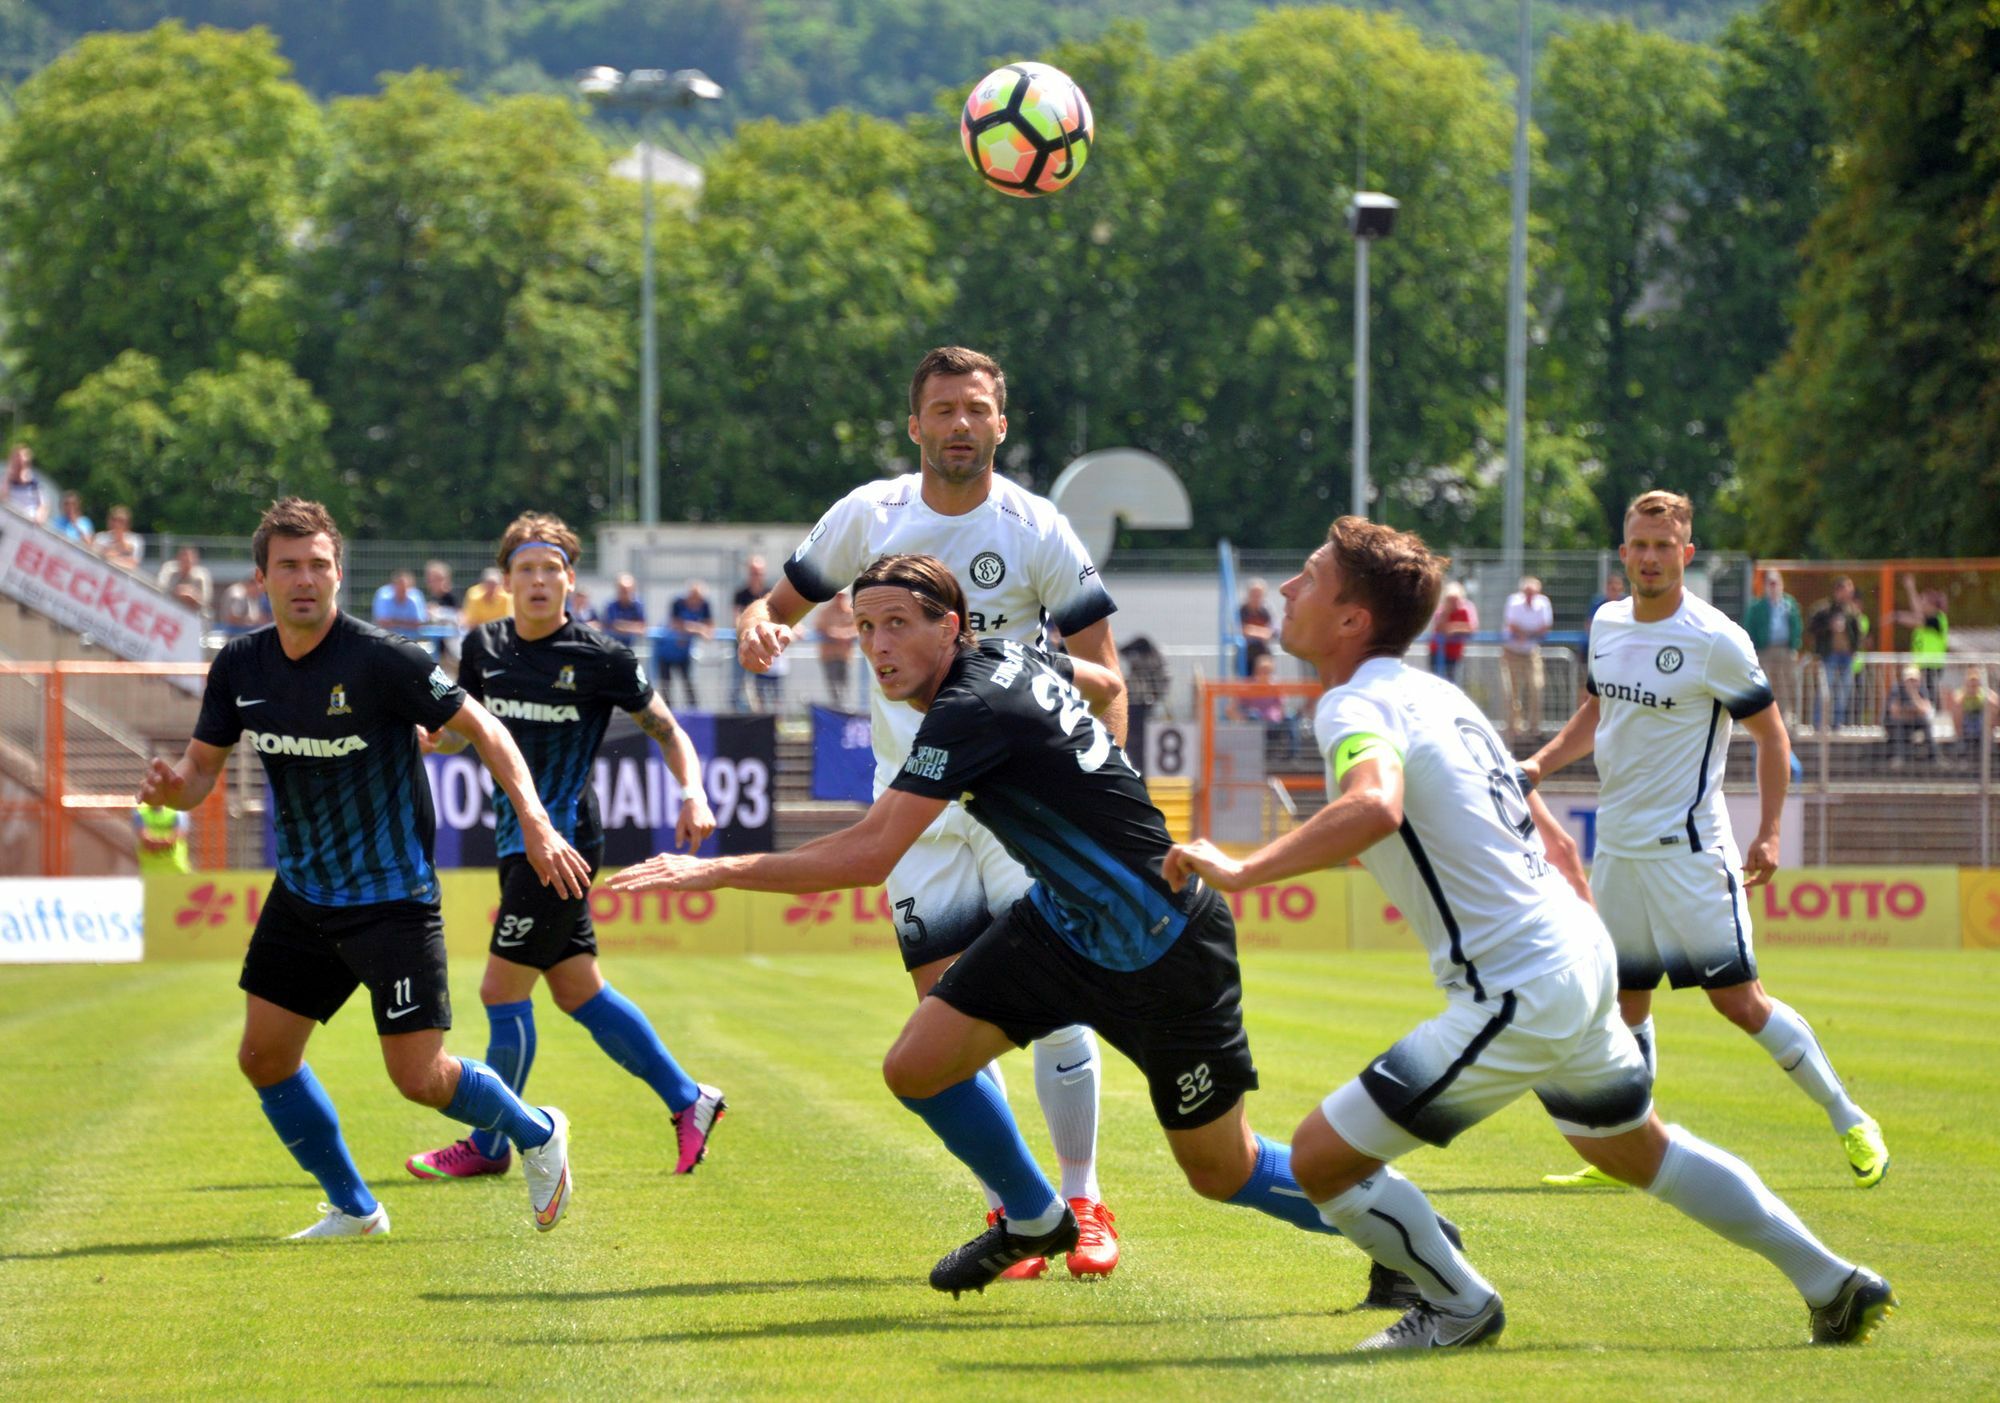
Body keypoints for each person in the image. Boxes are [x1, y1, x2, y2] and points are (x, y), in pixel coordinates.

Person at [1162, 516, 1894, 1351]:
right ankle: (1832, 1280)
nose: (1289, 591)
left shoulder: (1353, 703)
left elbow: (1374, 805)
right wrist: (1569, 918)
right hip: (1575, 952)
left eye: (1308, 577)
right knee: (1636, 1149)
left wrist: (1245, 869)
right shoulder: (1438, 695)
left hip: (1517, 984)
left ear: (1352, 618)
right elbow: (1547, 831)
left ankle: (1458, 1305)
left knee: (1321, 1159)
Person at [617, 552, 1419, 1307]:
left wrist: (716, 870)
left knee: (1222, 1168)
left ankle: (1413, 1238)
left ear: (950, 626)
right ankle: (1035, 1217)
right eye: (863, 627)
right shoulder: (1008, 658)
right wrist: (1099, 761)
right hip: (1063, 925)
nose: (878, 646)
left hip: (1161, 939)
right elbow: (1105, 681)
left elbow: (870, 853)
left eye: (897, 624)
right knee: (918, 1066)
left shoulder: (969, 707)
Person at [732, 347, 1128, 1279]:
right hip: (913, 806)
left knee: (1056, 997)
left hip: (1021, 799)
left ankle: (1084, 1199)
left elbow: (1104, 669)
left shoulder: (1036, 526)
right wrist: (760, 625)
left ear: (1001, 423)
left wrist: (1101, 793)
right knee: (950, 1011)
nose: (960, 424)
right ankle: (1019, 1210)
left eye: (976, 408)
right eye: (943, 409)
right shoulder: (867, 515)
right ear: (915, 426)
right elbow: (774, 605)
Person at [135, 497, 591, 1240]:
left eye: (318, 564)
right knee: (264, 1056)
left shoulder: (384, 658)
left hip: (392, 900)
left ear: (339, 574)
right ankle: (355, 1208)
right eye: (289, 566)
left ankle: (537, 1130)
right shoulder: (241, 665)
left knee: (420, 1078)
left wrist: (536, 822)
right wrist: (172, 792)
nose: (304, 579)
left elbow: (485, 727)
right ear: (261, 578)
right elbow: (199, 773)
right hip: (303, 896)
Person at [1528, 491, 1887, 1192]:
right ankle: (1630, 1150)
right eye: (1640, 545)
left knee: (1739, 1002)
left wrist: (1770, 831)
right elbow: (1597, 709)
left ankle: (1850, 1117)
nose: (1651, 558)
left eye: (1665, 546)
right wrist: (1540, 763)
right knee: (1625, 1000)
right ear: (1624, 553)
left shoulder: (1716, 637)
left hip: (1691, 852)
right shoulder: (1606, 622)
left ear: (1686, 554)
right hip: (1620, 850)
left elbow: (1773, 738)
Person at [407, 512, 724, 1183]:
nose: (539, 580)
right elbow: (470, 731)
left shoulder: (602, 657)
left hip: (564, 845)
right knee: (579, 990)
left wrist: (693, 791)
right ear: (506, 581)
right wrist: (438, 740)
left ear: (571, 581)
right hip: (513, 838)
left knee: (500, 990)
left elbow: (668, 730)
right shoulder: (482, 646)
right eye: (526, 568)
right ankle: (688, 1098)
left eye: (551, 569)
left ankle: (492, 1141)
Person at [1743, 571, 1803, 728]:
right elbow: (1749, 628)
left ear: (1781, 584)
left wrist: (1795, 645)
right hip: (1765, 650)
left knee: (1788, 684)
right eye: (1770, 583)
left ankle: (1787, 718)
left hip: (1785, 650)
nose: (1773, 587)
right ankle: (1769, 720)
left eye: (1776, 583)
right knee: (1767, 685)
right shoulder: (1757, 607)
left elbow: (1797, 625)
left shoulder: (1790, 604)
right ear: (1765, 586)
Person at [1806, 578, 1864, 730]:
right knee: (1825, 689)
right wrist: (1829, 626)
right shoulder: (1824, 609)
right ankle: (1819, 722)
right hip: (1829, 656)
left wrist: (1854, 649)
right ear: (1838, 591)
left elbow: (1858, 633)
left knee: (1844, 691)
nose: (1848, 595)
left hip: (1846, 657)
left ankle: (1837, 723)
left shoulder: (1852, 612)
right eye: (1846, 591)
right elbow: (1812, 627)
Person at [1501, 576, 1553, 740]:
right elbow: (1511, 624)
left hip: (1531, 652)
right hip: (1511, 652)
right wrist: (1528, 633)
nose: (1530, 597)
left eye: (1533, 593)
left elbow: (1545, 627)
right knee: (1511, 692)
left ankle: (1534, 727)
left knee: (1536, 687)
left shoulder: (1543, 603)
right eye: (1527, 593)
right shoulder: (1513, 601)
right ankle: (1514, 727)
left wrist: (1525, 635)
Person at [734, 557, 783, 713]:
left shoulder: (770, 593)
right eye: (753, 573)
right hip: (743, 647)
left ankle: (769, 718)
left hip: (765, 649)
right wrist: (748, 631)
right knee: (738, 686)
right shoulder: (740, 594)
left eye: (759, 573)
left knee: (767, 689)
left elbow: (781, 615)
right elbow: (737, 619)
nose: (756, 576)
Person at [1895, 574, 1949, 710]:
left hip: (1932, 665)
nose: (1921, 604)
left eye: (1923, 601)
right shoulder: (1924, 623)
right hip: (1920, 666)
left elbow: (1917, 616)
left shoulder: (1938, 619)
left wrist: (1911, 589)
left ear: (1933, 605)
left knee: (1929, 697)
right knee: (1916, 697)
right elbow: (1914, 617)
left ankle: (1932, 717)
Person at [659, 580, 713, 710]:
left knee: (688, 683)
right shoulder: (677, 603)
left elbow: (710, 628)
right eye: (693, 597)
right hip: (666, 651)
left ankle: (694, 712)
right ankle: (667, 712)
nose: (696, 602)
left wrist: (691, 629)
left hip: (684, 653)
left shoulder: (704, 605)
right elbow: (676, 624)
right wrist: (698, 629)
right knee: (666, 685)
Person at [1882, 665, 1935, 767]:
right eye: (1909, 680)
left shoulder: (1922, 689)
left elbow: (1925, 710)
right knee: (1898, 724)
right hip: (1896, 723)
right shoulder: (1896, 689)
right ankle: (1898, 758)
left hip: (1913, 721)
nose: (1912, 683)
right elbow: (1895, 712)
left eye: (1914, 680)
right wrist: (1913, 711)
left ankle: (1935, 758)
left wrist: (1914, 695)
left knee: (1926, 723)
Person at [1427, 581, 1477, 684]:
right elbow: (1440, 628)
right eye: (1450, 599)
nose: (1453, 603)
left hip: (1455, 654)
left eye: (1455, 599)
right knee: (1436, 682)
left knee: (1453, 682)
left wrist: (1454, 628)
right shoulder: (1442, 610)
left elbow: (1471, 628)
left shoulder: (1466, 610)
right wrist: (1447, 612)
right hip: (1437, 652)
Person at [816, 589, 858, 710]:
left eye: (842, 596)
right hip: (829, 656)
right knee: (833, 685)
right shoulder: (825, 611)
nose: (839, 599)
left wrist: (844, 634)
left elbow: (857, 628)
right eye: (838, 596)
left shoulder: (850, 612)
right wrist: (839, 634)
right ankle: (836, 709)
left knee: (845, 683)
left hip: (845, 656)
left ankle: (844, 709)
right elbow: (821, 628)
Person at [133, 802, 191, 875]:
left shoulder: (178, 812)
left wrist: (155, 843)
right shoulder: (140, 813)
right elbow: (144, 838)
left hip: (176, 867)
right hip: (151, 869)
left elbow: (177, 835)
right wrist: (165, 841)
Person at [158, 546, 215, 617]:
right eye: (183, 560)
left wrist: (192, 595)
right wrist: (177, 591)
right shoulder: (169, 571)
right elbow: (161, 590)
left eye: (188, 561)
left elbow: (206, 600)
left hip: (195, 614)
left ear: (195, 560)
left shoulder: (201, 576)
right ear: (178, 559)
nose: (186, 564)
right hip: (171, 611)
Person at [1949, 666, 1989, 759]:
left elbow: (1995, 703)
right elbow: (1955, 704)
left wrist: (1984, 693)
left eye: (1975, 681)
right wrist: (1967, 692)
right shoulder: (1961, 693)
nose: (1973, 684)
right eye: (1971, 681)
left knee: (1983, 717)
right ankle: (1961, 744)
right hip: (1966, 721)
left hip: (1980, 720)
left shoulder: (1983, 692)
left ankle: (1985, 749)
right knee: (1960, 714)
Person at [1239, 578, 1275, 674]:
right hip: (1246, 654)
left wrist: (1252, 630)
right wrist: (1262, 632)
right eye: (1253, 594)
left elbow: (1272, 631)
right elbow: (1243, 631)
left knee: (1265, 666)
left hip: (1263, 652)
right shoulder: (1242, 611)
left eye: (1259, 595)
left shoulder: (1266, 611)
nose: (1256, 598)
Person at [4, 444, 46, 524]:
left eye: (21, 462)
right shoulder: (7, 480)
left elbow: (42, 505)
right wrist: (8, 476)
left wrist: (39, 516)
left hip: (28, 522)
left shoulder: (34, 482)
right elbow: (3, 498)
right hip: (10, 519)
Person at [94, 504, 142, 572]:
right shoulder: (100, 537)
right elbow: (94, 557)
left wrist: (109, 558)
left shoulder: (134, 540)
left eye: (121, 521)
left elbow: (132, 564)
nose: (116, 524)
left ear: (127, 523)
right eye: (114, 520)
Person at [602, 573, 648, 641]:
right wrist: (633, 627)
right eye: (622, 590)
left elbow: (642, 628)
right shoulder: (611, 605)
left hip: (634, 644)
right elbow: (613, 626)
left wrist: (622, 625)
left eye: (628, 590)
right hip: (614, 643)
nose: (626, 593)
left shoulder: (638, 605)